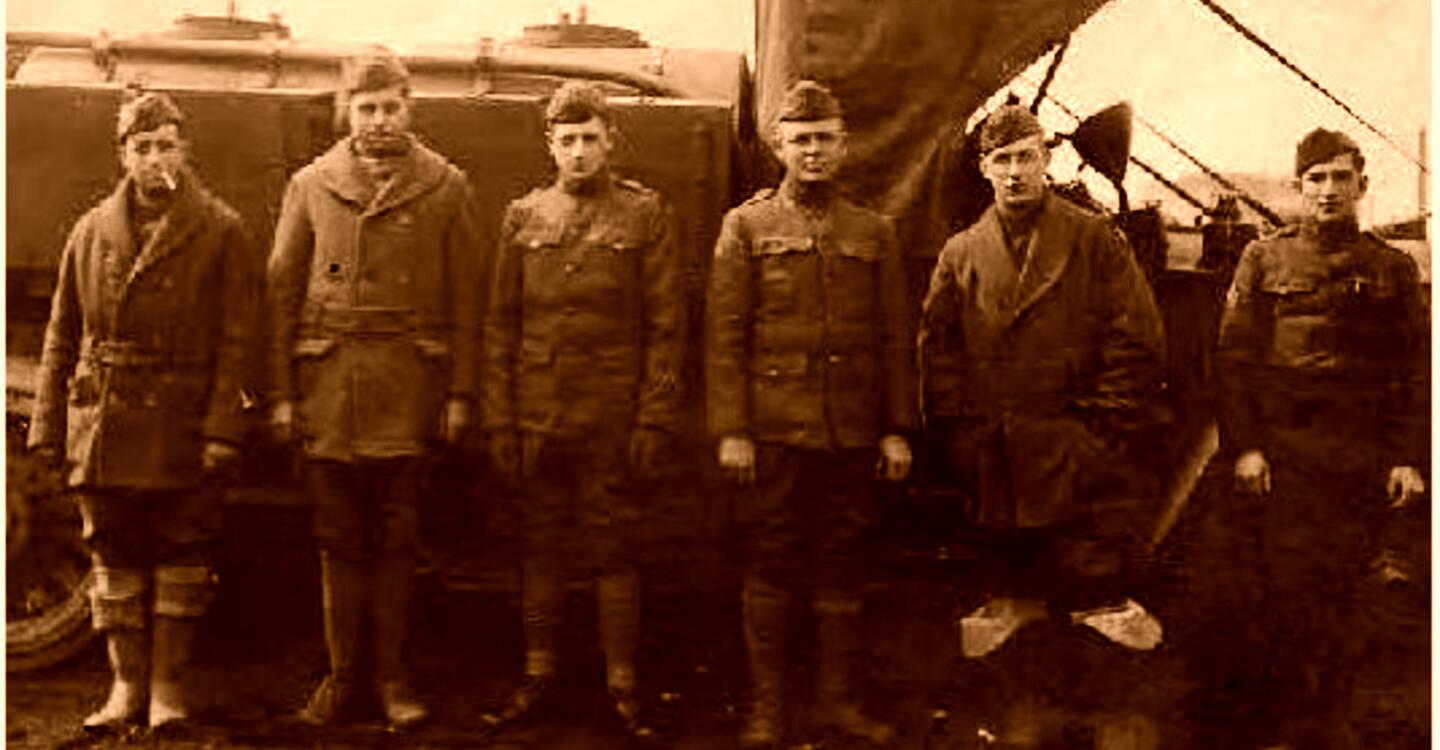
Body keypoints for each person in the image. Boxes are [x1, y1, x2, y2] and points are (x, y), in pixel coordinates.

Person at [917, 105, 1167, 741]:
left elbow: (1136, 340)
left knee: (1093, 597)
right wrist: (966, 437)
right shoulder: (962, 252)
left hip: (1077, 455)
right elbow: (937, 352)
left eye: (1026, 156)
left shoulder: (1093, 240)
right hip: (998, 460)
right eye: (1001, 160)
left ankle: (1099, 725)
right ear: (983, 170)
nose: (1015, 172)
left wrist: (1098, 434)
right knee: (1012, 605)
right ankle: (1020, 727)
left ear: (1046, 160)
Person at [26, 92, 259, 732]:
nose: (155, 158)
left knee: (183, 556)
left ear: (185, 150)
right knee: (113, 557)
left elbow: (239, 343)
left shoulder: (221, 230)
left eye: (166, 145)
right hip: (105, 421)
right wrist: (48, 427)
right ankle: (125, 688)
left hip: (181, 419)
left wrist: (221, 429)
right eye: (141, 147)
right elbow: (60, 335)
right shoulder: (91, 230)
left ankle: (166, 692)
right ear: (123, 155)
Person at [265, 51, 481, 730]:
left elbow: (469, 300)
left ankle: (392, 680)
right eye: (366, 108)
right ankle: (340, 679)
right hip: (329, 386)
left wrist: (460, 395)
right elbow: (279, 293)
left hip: (409, 387)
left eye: (391, 106)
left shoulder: (446, 187)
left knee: (397, 539)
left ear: (410, 108)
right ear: (346, 112)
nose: (379, 121)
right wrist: (281, 394)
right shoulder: (310, 184)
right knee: (336, 539)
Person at [707, 80, 916, 748]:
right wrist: (733, 429)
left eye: (825, 138)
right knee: (769, 564)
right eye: (801, 140)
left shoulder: (873, 230)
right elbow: (724, 334)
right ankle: (767, 710)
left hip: (850, 432)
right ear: (779, 147)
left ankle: (837, 704)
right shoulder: (746, 226)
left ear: (844, 145)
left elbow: (893, 338)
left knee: (841, 565)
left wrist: (894, 427)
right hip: (771, 433)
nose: (814, 151)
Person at [1208, 128, 1427, 749]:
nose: (1328, 191)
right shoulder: (1263, 258)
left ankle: (1333, 730)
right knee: (1277, 595)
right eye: (1316, 179)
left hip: (1360, 460)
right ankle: (1280, 728)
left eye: (1340, 178)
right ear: (1298, 187)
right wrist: (1245, 448)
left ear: (1361, 185)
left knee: (1350, 599)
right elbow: (1234, 362)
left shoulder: (1392, 268)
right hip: (1283, 461)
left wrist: (1411, 458)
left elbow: (1417, 370)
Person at [482, 80, 684, 741]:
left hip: (612, 418)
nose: (577, 152)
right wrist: (502, 419)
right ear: (549, 145)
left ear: (609, 142)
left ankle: (622, 685)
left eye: (588, 139)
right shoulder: (523, 217)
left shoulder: (645, 215)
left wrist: (653, 417)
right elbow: (500, 328)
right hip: (539, 415)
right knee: (541, 549)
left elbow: (666, 327)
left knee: (613, 549)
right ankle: (539, 677)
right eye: (565, 140)